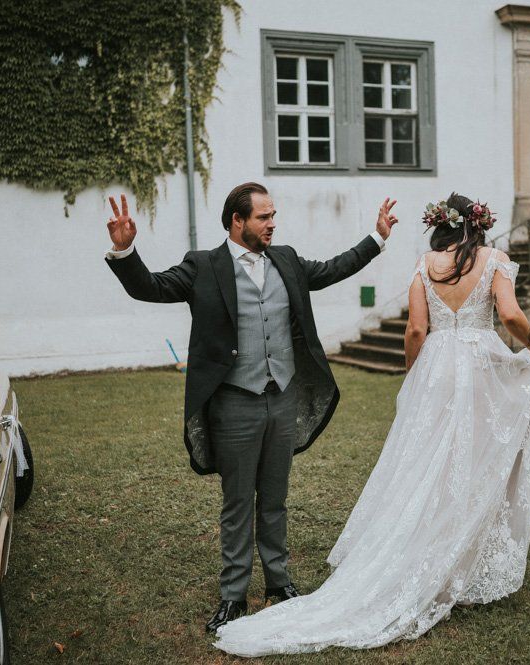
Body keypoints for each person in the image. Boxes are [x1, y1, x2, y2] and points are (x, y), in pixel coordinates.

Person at [212, 192, 530, 657]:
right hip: (481, 368)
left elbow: (416, 330)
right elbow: (510, 315)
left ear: (441, 226)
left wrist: (414, 376)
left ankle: (432, 556)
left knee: (426, 469)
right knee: (473, 464)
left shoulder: (425, 265)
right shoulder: (494, 260)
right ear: (477, 226)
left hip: (436, 370)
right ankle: (460, 565)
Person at [103, 184, 399, 633]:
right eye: (264, 217)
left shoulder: (286, 260)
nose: (272, 223)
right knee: (238, 502)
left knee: (275, 498)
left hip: (282, 398)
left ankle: (279, 583)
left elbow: (332, 269)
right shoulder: (203, 266)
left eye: (273, 215)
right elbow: (151, 287)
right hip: (234, 403)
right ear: (237, 221)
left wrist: (376, 238)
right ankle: (233, 595)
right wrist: (126, 252)